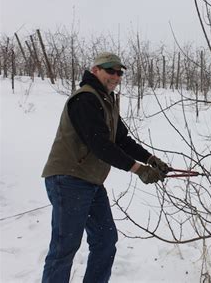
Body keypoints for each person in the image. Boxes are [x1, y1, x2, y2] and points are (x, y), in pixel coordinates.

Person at [41, 52, 170, 283]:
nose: (116, 76)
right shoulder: (85, 99)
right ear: (95, 70)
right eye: (110, 70)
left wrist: (150, 159)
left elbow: (121, 140)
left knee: (105, 240)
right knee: (64, 248)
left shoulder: (106, 101)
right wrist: (138, 169)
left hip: (90, 182)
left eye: (119, 72)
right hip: (69, 179)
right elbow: (99, 144)